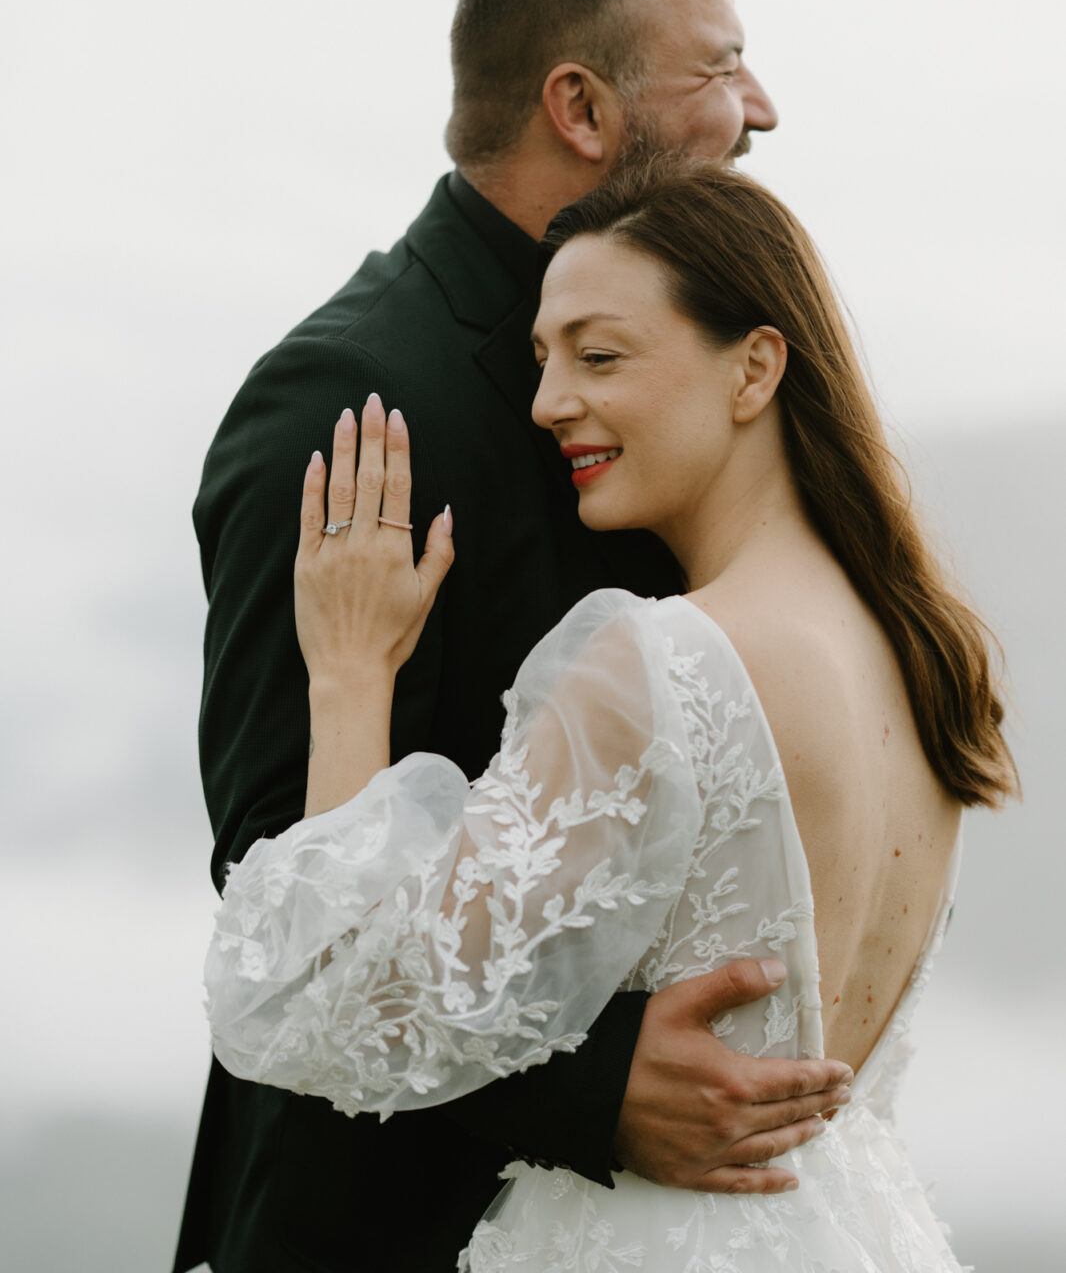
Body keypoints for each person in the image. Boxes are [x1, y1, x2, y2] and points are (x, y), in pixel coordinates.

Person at [174, 0, 851, 1273]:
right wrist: (596, 1088)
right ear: (581, 110)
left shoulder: (693, 385)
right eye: (719, 67)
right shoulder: (353, 398)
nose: (762, 110)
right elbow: (270, 865)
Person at [206, 157, 1017, 1272]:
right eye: (541, 360)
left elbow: (328, 1011)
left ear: (753, 369)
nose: (547, 403)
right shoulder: (921, 656)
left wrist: (351, 671)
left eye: (598, 355)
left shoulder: (656, 660)